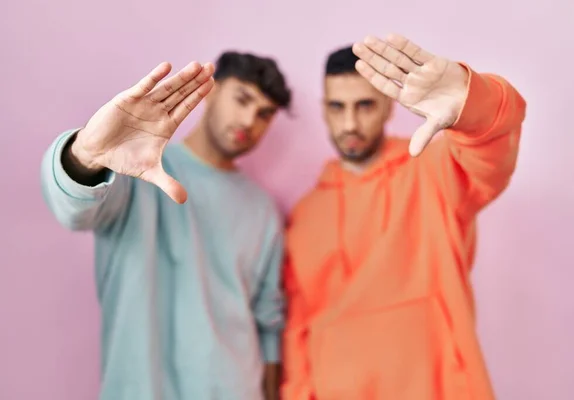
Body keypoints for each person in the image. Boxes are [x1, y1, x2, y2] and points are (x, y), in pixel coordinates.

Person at [281, 34, 526, 399]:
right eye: (337, 107)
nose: (349, 123)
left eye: (364, 105)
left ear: (387, 105)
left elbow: (490, 150)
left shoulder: (431, 171)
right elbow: (300, 326)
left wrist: (470, 103)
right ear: (323, 109)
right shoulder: (305, 213)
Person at [40, 51, 292, 400]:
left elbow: (268, 320)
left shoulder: (263, 209)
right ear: (212, 90)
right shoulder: (136, 169)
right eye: (242, 99)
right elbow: (75, 208)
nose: (250, 120)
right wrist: (86, 156)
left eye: (265, 114)